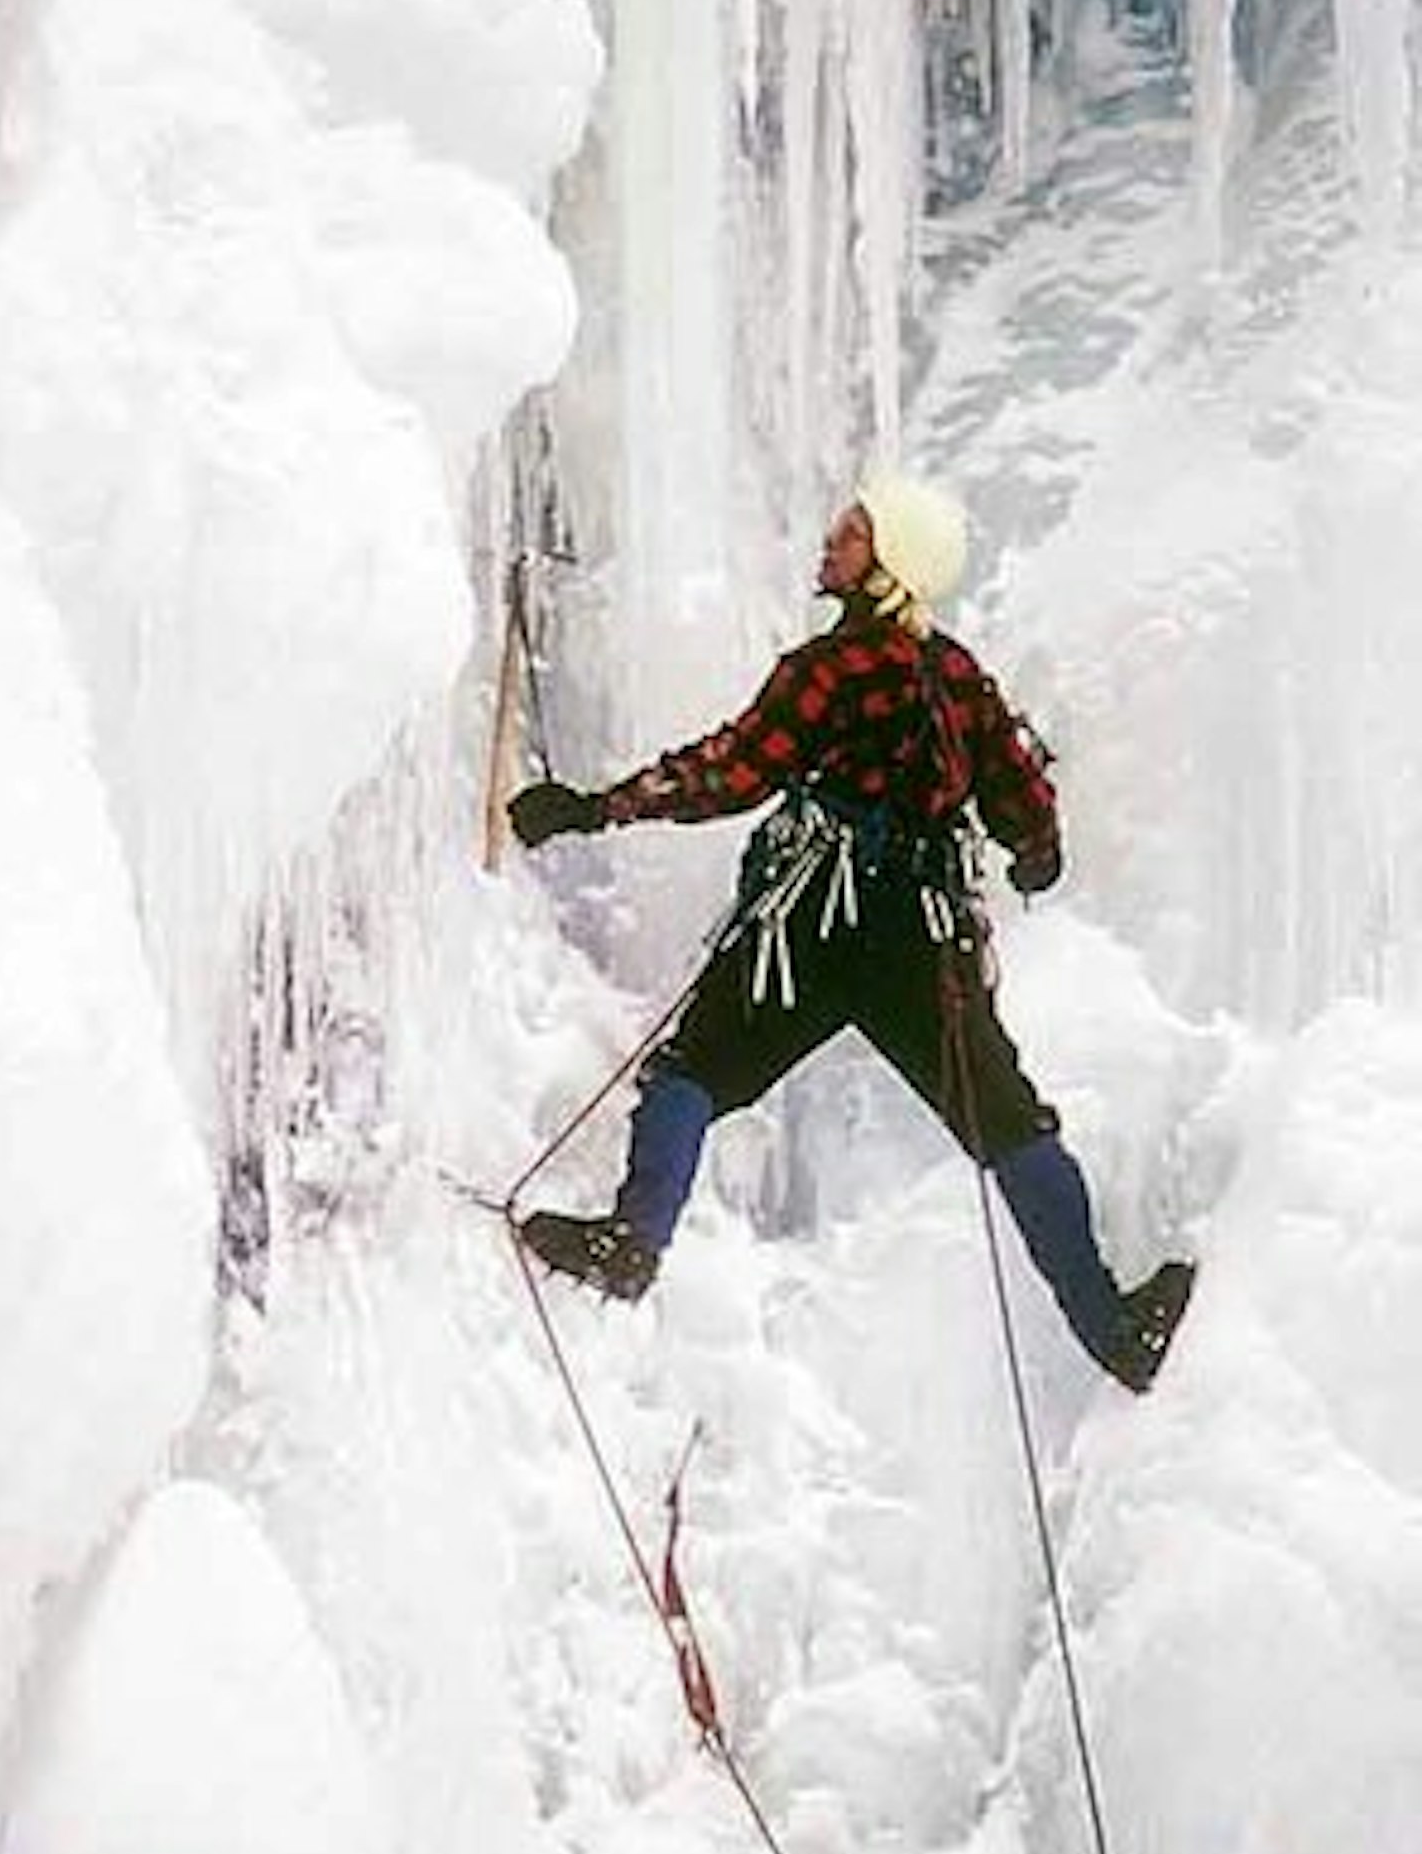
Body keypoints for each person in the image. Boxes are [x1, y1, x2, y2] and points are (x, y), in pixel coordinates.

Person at [508, 471, 1192, 1392]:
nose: (831, 541)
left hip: (815, 922)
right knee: (1009, 1123)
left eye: (854, 532)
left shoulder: (826, 670)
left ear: (890, 562)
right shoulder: (957, 678)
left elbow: (734, 770)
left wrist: (593, 809)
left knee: (693, 1072)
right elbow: (1024, 805)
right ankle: (1114, 1331)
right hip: (922, 941)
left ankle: (634, 1242)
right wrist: (1036, 856)